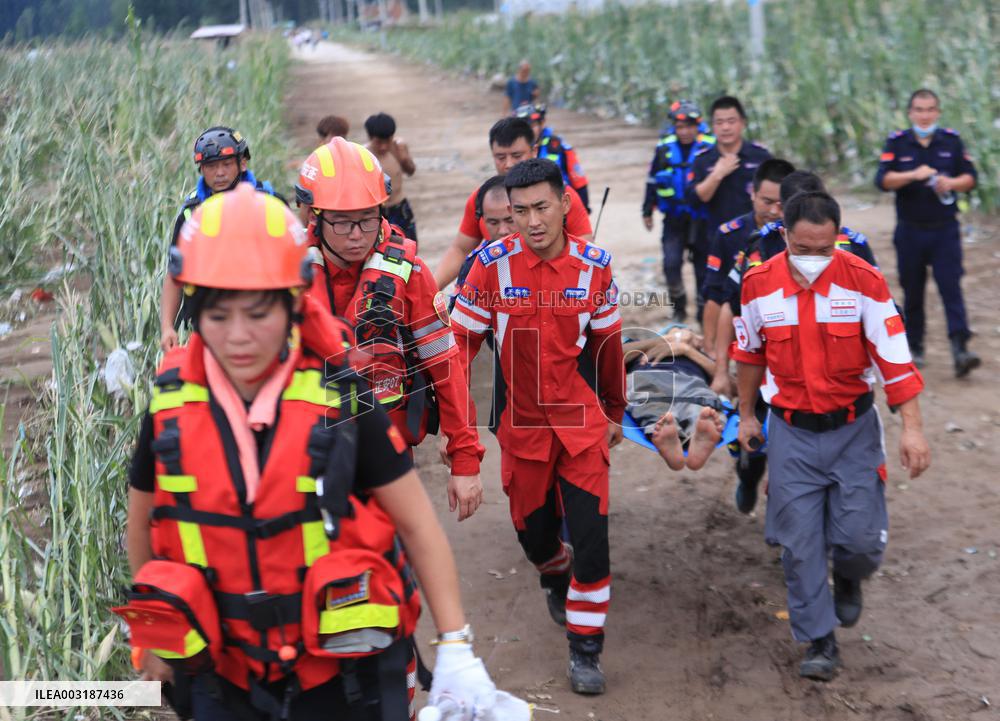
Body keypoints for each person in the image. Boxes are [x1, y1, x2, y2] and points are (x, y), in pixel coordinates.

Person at [119, 184, 499, 720]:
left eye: (258, 313)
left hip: (336, 679)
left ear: (293, 303)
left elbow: (417, 526)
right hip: (222, 676)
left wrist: (455, 645)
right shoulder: (170, 406)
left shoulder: (342, 399)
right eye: (218, 315)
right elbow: (142, 526)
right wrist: (157, 635)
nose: (239, 336)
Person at [731, 190, 930, 681]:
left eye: (825, 249)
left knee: (859, 540)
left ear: (837, 238)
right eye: (804, 249)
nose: (815, 259)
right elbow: (750, 354)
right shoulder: (758, 285)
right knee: (799, 548)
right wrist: (747, 416)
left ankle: (849, 574)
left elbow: (894, 358)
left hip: (853, 430)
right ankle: (820, 641)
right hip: (792, 433)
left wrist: (912, 429)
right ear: (784, 237)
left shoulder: (864, 281)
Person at [450, 158, 626, 695]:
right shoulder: (490, 267)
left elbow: (608, 347)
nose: (532, 222)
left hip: (580, 426)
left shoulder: (595, 268)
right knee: (535, 537)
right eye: (520, 211)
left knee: (592, 541)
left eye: (542, 207)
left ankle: (586, 649)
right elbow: (458, 350)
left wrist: (614, 412)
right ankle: (553, 570)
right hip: (522, 427)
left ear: (565, 204)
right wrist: (459, 434)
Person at [296, 138, 485, 522]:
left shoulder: (408, 273)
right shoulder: (284, 271)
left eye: (368, 219)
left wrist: (465, 460)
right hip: (304, 450)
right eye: (342, 222)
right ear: (314, 215)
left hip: (385, 450)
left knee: (391, 548)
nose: (357, 234)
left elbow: (446, 366)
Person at [715, 171, 880, 514]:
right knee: (756, 444)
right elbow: (733, 308)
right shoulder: (759, 247)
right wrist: (721, 369)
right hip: (773, 372)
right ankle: (751, 477)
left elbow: (879, 306)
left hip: (835, 376)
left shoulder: (853, 247)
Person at [874, 88, 980, 376]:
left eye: (930, 109)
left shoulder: (951, 141)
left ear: (938, 112)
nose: (925, 115)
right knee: (912, 291)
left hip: (944, 230)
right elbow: (882, 180)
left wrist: (952, 183)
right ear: (911, 113)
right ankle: (915, 347)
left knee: (951, 289)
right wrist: (912, 175)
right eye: (919, 110)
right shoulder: (898, 143)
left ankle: (960, 349)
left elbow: (970, 178)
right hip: (910, 230)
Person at [160, 126, 286, 352]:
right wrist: (167, 327)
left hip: (262, 319)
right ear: (201, 169)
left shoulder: (270, 204)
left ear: (242, 163)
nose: (219, 173)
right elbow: (175, 275)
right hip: (206, 325)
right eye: (211, 166)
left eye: (227, 164)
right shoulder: (191, 214)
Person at [433, 118, 593, 290]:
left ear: (534, 151)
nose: (509, 164)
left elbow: (583, 250)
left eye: (517, 156)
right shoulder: (483, 197)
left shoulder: (558, 196)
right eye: (500, 157)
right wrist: (430, 291)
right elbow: (461, 249)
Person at [686, 96, 771, 320]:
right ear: (712, 126)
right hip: (714, 242)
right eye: (719, 122)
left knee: (755, 298)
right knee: (712, 296)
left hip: (754, 239)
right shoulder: (703, 160)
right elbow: (695, 199)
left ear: (742, 123)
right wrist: (718, 174)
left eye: (731, 121)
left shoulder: (760, 156)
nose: (725, 127)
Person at [701, 158, 793, 358]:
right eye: (767, 202)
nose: (774, 211)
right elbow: (715, 293)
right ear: (753, 193)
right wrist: (710, 348)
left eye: (781, 204)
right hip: (743, 328)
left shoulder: (798, 237)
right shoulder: (729, 235)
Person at [642, 100, 717, 323]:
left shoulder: (711, 147)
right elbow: (652, 179)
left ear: (698, 126)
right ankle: (679, 308)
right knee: (671, 264)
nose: (684, 132)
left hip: (703, 219)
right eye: (680, 127)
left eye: (689, 127)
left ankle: (703, 313)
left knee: (703, 269)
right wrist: (647, 210)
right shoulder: (664, 148)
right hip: (674, 218)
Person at [622, 328, 725, 470]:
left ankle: (697, 436)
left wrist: (687, 350)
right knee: (653, 406)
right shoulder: (642, 347)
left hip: (691, 383)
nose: (682, 332)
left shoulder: (701, 354)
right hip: (650, 377)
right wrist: (664, 340)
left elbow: (727, 382)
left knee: (703, 409)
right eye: (676, 330)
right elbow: (611, 355)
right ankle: (666, 433)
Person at [516, 103, 591, 212]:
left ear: (542, 123)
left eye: (531, 125)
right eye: (522, 127)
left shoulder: (560, 147)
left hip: (561, 206)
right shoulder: (512, 151)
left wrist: (583, 210)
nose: (527, 130)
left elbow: (579, 182)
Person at [365, 112, 419, 242]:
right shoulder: (364, 155)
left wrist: (404, 159)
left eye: (387, 141)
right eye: (379, 142)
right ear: (370, 137)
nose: (383, 146)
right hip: (376, 210)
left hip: (399, 207)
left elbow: (410, 171)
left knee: (408, 245)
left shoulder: (398, 148)